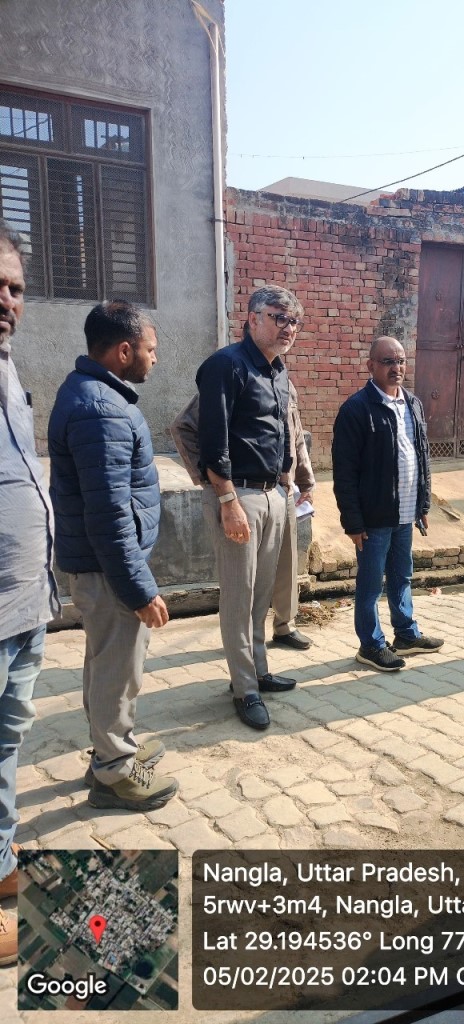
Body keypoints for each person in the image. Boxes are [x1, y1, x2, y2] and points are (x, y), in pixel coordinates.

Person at [48, 301, 176, 812]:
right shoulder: (101, 410)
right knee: (117, 670)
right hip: (108, 569)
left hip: (104, 565)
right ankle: (114, 772)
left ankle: (112, 747)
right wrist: (139, 589)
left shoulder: (95, 395)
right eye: (150, 349)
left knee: (109, 663)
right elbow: (108, 512)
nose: (154, 359)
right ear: (124, 351)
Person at [196, 285, 300, 730]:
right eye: (279, 317)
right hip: (237, 495)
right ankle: (244, 689)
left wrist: (287, 483)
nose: (288, 328)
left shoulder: (277, 371)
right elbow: (212, 439)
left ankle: (258, 670)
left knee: (260, 594)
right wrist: (227, 500)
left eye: (294, 321)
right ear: (253, 318)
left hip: (272, 494)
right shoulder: (226, 366)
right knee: (238, 598)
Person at [0, 222, 59, 965]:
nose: (6, 299)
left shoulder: (10, 372)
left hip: (22, 605)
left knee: (7, 739)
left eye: (14, 287)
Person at [332, 335, 444, 671]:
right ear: (371, 366)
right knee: (370, 585)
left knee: (401, 577)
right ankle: (370, 645)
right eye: (388, 362)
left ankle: (406, 635)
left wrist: (423, 504)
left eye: (400, 361)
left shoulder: (413, 403)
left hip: (405, 513)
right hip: (374, 518)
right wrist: (353, 522)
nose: (396, 368)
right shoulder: (356, 409)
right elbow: (344, 472)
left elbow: (422, 456)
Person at [271, 380, 315, 650]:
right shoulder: (232, 374)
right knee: (250, 571)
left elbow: (296, 435)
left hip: (285, 488)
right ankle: (246, 636)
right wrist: (213, 482)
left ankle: (284, 626)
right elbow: (185, 426)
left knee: (287, 562)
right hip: (248, 492)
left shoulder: (284, 383)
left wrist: (305, 482)